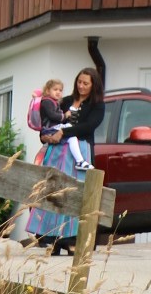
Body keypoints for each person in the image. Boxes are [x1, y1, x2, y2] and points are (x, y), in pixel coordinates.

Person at [26, 67, 105, 255]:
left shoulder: (97, 105)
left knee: (74, 193)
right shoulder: (65, 101)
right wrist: (45, 136)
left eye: (86, 83)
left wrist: (64, 132)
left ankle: (72, 239)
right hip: (56, 150)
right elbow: (50, 120)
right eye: (79, 82)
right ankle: (51, 238)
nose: (81, 86)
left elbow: (88, 126)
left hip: (80, 151)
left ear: (93, 86)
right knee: (53, 190)